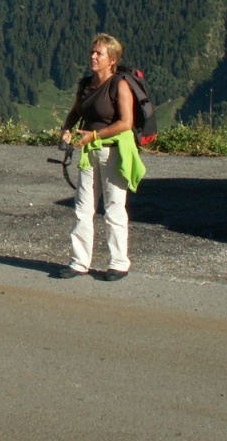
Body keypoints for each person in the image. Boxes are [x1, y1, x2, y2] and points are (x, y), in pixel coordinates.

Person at [57, 33, 144, 281]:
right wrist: (66, 129)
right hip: (89, 151)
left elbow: (125, 122)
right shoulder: (86, 84)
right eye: (92, 52)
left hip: (113, 151)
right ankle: (78, 262)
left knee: (114, 208)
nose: (93, 57)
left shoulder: (120, 85)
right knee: (83, 208)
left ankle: (119, 263)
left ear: (112, 60)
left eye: (99, 53)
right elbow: (75, 112)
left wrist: (95, 135)